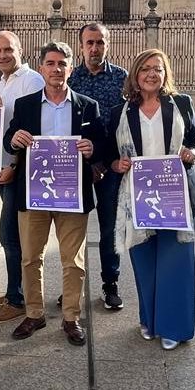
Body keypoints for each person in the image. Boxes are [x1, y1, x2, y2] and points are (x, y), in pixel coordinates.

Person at [4, 41, 105, 346]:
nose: (56, 69)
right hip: (33, 193)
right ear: (41, 68)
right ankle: (34, 314)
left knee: (73, 260)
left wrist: (93, 149)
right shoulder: (25, 105)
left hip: (72, 196)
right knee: (30, 257)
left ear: (70, 68)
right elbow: (10, 138)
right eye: (50, 63)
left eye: (62, 63)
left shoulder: (88, 106)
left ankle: (71, 318)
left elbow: (101, 143)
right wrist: (15, 138)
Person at [107, 49, 195, 349]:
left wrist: (194, 153)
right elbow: (109, 155)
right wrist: (116, 164)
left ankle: (174, 326)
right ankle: (150, 320)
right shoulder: (119, 113)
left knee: (175, 262)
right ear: (136, 75)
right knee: (145, 261)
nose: (152, 74)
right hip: (137, 196)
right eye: (145, 69)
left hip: (175, 193)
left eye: (158, 69)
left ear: (165, 74)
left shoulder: (182, 104)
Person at [0, 31, 46, 324]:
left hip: (18, 171)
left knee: (10, 235)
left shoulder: (32, 80)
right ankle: (16, 287)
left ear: (20, 50)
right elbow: (3, 126)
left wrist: (14, 166)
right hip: (3, 170)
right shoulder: (1, 83)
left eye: (7, 49)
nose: (2, 55)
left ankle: (17, 298)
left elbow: (33, 131)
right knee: (15, 235)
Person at [67, 22, 128, 311]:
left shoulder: (122, 79)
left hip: (111, 166)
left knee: (109, 228)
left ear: (108, 44)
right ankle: (71, 287)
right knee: (72, 230)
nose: (95, 48)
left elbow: (126, 125)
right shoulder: (71, 77)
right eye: (89, 42)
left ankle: (110, 283)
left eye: (100, 42)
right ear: (81, 45)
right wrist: (87, 162)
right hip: (76, 165)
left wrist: (106, 163)